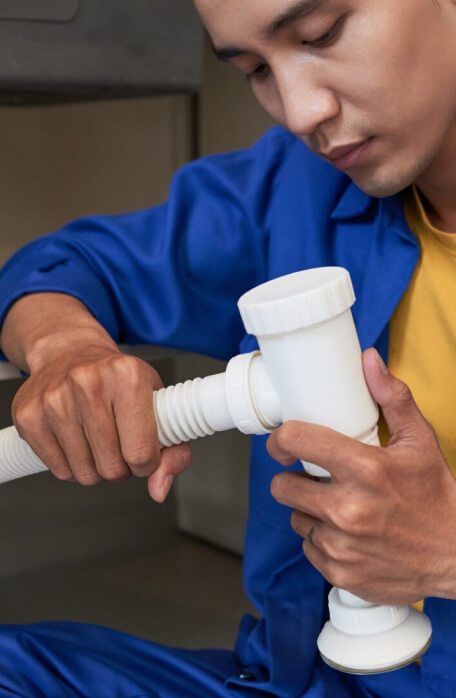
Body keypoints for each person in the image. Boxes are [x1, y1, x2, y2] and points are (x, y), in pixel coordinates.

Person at [0, 0, 455, 695]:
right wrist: (66, 349)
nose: (299, 112)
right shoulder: (295, 187)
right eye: (254, 70)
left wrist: (444, 553)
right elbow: (67, 266)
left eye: (319, 34)